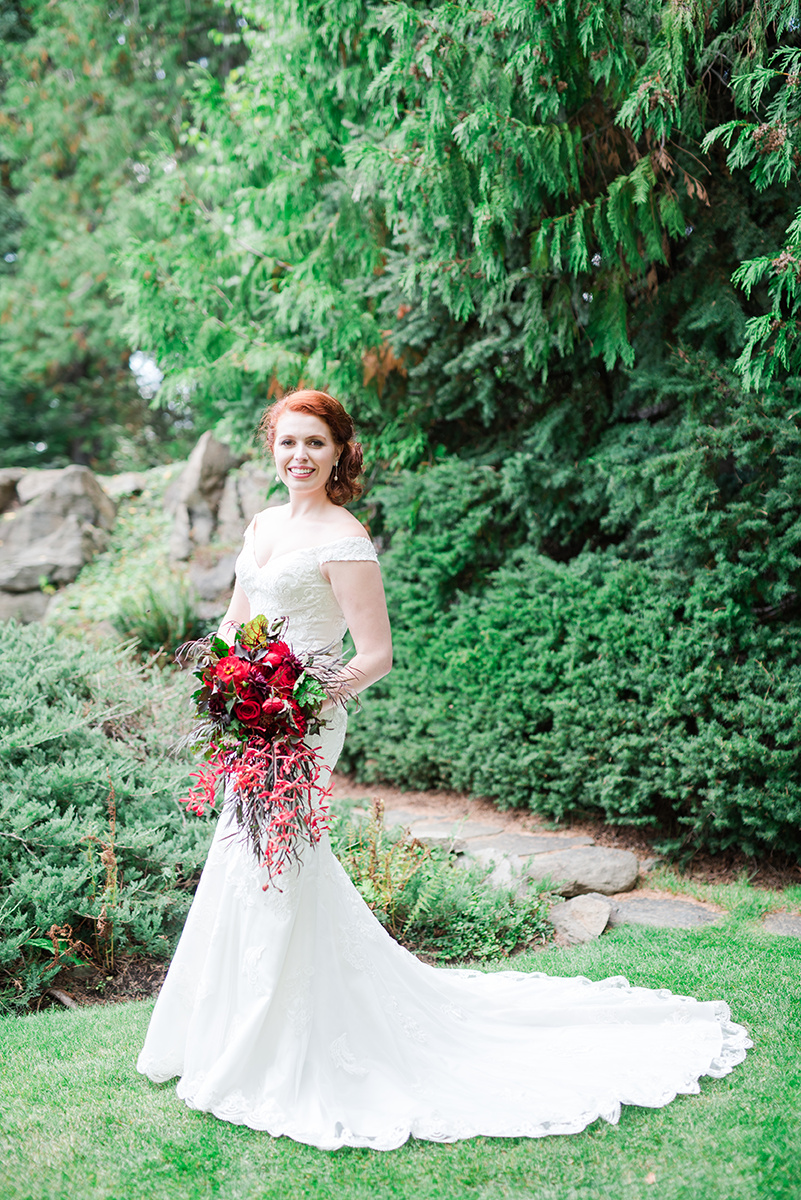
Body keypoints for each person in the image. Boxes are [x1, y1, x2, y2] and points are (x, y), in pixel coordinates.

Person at [137, 389, 751, 1151]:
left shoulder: (344, 537)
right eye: (288, 442)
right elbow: (235, 619)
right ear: (272, 445)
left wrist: (295, 695)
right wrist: (232, 679)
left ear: (338, 454)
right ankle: (229, 1035)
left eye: (315, 445)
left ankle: (278, 1049)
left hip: (305, 721)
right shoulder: (263, 524)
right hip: (249, 722)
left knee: (277, 867)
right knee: (243, 860)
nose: (299, 457)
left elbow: (374, 655)